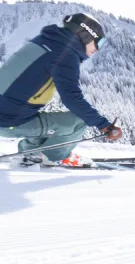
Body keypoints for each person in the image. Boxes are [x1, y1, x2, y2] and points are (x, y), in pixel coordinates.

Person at [0, 12, 123, 166]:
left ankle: (32, 153)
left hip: (11, 115)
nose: (98, 49)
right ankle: (51, 157)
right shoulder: (64, 53)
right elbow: (72, 98)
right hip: (7, 121)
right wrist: (103, 124)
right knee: (78, 121)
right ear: (85, 35)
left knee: (50, 124)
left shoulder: (46, 41)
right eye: (99, 42)